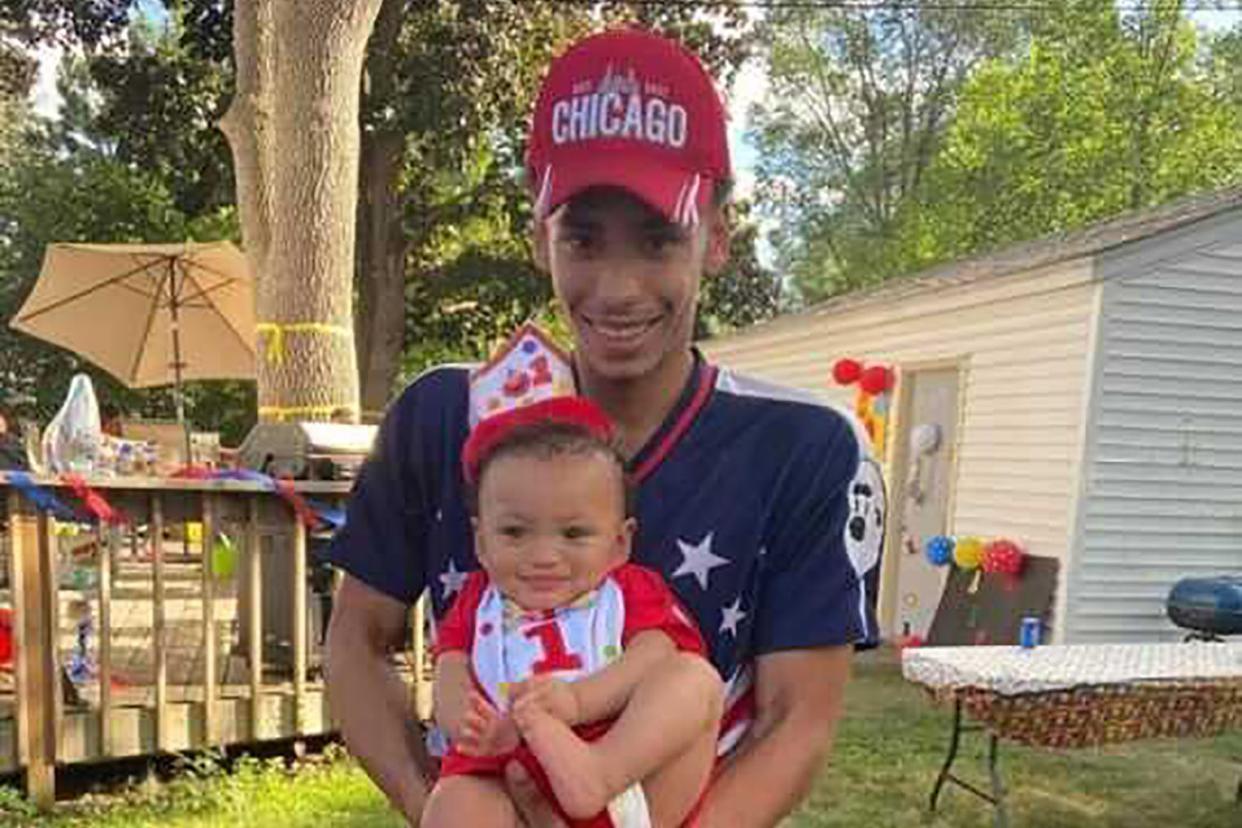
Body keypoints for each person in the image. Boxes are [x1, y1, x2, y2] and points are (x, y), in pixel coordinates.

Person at [324, 27, 885, 827]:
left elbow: (798, 719)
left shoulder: (806, 447)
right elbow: (355, 640)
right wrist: (439, 808)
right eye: (583, 238)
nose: (618, 287)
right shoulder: (444, 414)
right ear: (537, 236)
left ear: (716, 239)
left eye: (658, 239)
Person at [423, 397, 720, 828]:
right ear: (480, 541)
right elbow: (451, 665)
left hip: (614, 762)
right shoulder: (477, 598)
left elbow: (656, 652)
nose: (544, 555)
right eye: (514, 532)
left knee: (695, 677)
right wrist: (466, 724)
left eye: (574, 533)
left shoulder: (628, 590)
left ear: (620, 542)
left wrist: (578, 702)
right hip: (500, 767)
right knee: (455, 802)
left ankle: (601, 771)